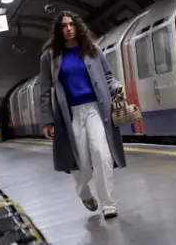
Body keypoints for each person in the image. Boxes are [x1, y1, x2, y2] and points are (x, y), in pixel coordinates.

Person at [38, 11, 127, 219]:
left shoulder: (92, 50)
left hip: (95, 109)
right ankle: (84, 193)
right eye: (63, 26)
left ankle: (108, 204)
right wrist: (47, 120)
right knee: (81, 163)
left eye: (71, 24)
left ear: (77, 26)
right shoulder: (49, 57)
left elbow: (107, 76)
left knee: (101, 153)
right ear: (58, 30)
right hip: (70, 115)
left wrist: (116, 87)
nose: (68, 29)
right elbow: (43, 90)